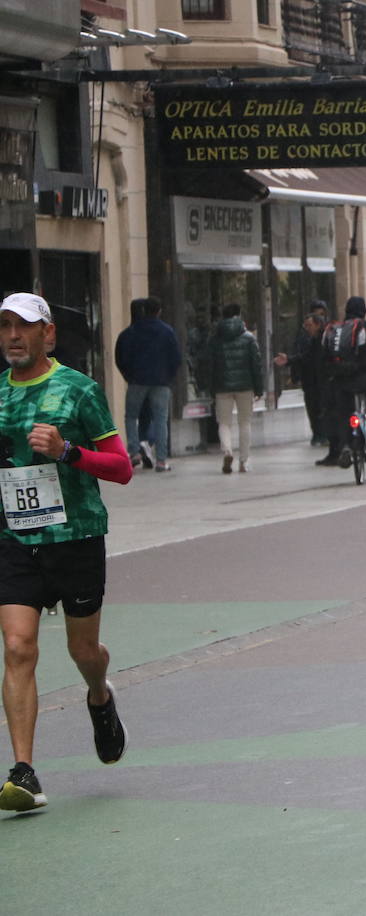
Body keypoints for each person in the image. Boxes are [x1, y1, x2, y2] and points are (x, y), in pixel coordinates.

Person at [0, 293, 133, 813]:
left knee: (83, 652)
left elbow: (121, 468)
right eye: (6, 326)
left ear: (47, 335)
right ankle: (24, 773)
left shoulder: (78, 390)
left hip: (75, 538)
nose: (14, 336)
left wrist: (67, 452)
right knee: (17, 647)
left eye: (24, 327)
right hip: (15, 538)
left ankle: (99, 694)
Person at [318, 296, 366, 469]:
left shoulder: (335, 329)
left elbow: (323, 358)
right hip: (364, 378)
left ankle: (347, 445)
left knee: (344, 413)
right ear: (363, 311)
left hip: (341, 382)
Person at [114, 296, 180, 472]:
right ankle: (161, 460)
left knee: (131, 416)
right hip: (161, 382)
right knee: (160, 419)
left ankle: (134, 453)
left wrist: (129, 376)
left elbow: (120, 357)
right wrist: (168, 377)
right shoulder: (167, 331)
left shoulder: (130, 332)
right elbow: (176, 358)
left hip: (137, 381)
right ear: (159, 311)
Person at [208, 303, 263, 473]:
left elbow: (210, 365)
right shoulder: (248, 338)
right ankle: (244, 462)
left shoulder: (215, 338)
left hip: (222, 386)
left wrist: (211, 388)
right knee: (244, 422)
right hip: (245, 386)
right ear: (239, 315)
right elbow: (256, 364)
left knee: (224, 422)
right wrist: (259, 388)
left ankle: (227, 451)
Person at [274, 300, 330, 447]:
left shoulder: (329, 336)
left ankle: (326, 434)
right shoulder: (307, 337)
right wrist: (290, 363)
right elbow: (304, 355)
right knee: (313, 407)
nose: (308, 328)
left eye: (322, 315)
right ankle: (318, 434)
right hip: (310, 379)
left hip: (325, 380)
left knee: (325, 407)